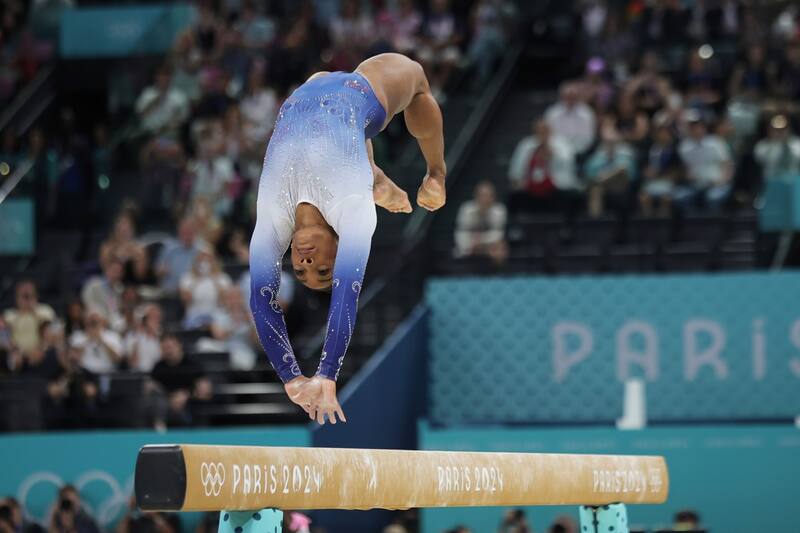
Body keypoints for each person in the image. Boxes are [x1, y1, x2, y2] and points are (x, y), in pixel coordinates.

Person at [249, 53, 446, 425]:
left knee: (349, 134)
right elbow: (346, 293)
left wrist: (292, 379)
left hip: (309, 87)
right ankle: (437, 175)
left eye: (302, 272)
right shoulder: (353, 213)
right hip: (359, 91)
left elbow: (261, 299)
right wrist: (326, 374)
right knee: (417, 79)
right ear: (338, 252)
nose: (307, 265)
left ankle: (373, 172)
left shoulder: (273, 220)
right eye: (323, 269)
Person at [453, 181, 508, 263]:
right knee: (458, 251)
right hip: (469, 247)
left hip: (490, 247)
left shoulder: (499, 210)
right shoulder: (466, 209)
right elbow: (460, 233)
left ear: (494, 197)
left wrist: (480, 241)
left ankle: (496, 273)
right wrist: (471, 245)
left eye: (488, 196)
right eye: (481, 195)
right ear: (475, 196)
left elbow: (498, 234)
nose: (484, 199)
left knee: (499, 248)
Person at [2, 280, 55, 358]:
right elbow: (4, 337)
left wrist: (33, 309)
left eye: (30, 296)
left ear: (36, 295)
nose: (27, 300)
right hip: (17, 354)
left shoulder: (45, 310)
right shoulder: (9, 315)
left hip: (41, 352)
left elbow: (52, 333)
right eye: (24, 296)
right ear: (17, 297)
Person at [753, 114, 800, 181]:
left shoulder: (797, 143)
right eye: (776, 130)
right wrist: (773, 143)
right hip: (771, 181)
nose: (780, 132)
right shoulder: (763, 145)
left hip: (794, 181)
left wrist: (786, 144)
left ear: (789, 129)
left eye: (783, 129)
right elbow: (760, 159)